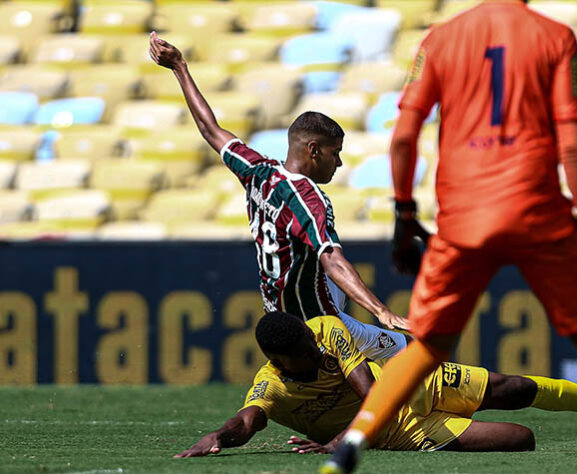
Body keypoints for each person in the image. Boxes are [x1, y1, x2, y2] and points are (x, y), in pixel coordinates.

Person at [325, 2, 577, 473]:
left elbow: (405, 136)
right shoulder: (555, 36)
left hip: (463, 216)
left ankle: (354, 443)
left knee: (430, 345)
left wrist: (404, 212)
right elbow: (572, 140)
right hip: (539, 211)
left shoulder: (440, 39)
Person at [148, 32, 408, 361]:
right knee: (409, 354)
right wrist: (380, 311)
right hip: (319, 326)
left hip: (279, 318)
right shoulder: (308, 198)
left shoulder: (259, 171)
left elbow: (210, 129)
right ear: (314, 150)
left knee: (317, 273)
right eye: (335, 153)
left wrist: (179, 67)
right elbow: (332, 260)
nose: (339, 162)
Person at [174, 312, 577, 458]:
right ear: (280, 359)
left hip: (413, 385)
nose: (315, 348)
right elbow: (249, 418)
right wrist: (221, 435)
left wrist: (338, 441)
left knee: (514, 386)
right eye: (304, 352)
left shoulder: (325, 332)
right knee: (521, 440)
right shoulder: (273, 387)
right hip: (407, 432)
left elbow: (372, 395)